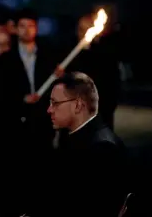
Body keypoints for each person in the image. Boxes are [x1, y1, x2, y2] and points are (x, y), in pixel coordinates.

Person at [38, 72, 127, 217]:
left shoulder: (102, 149)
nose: (49, 110)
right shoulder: (78, 140)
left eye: (55, 103)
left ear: (78, 105)